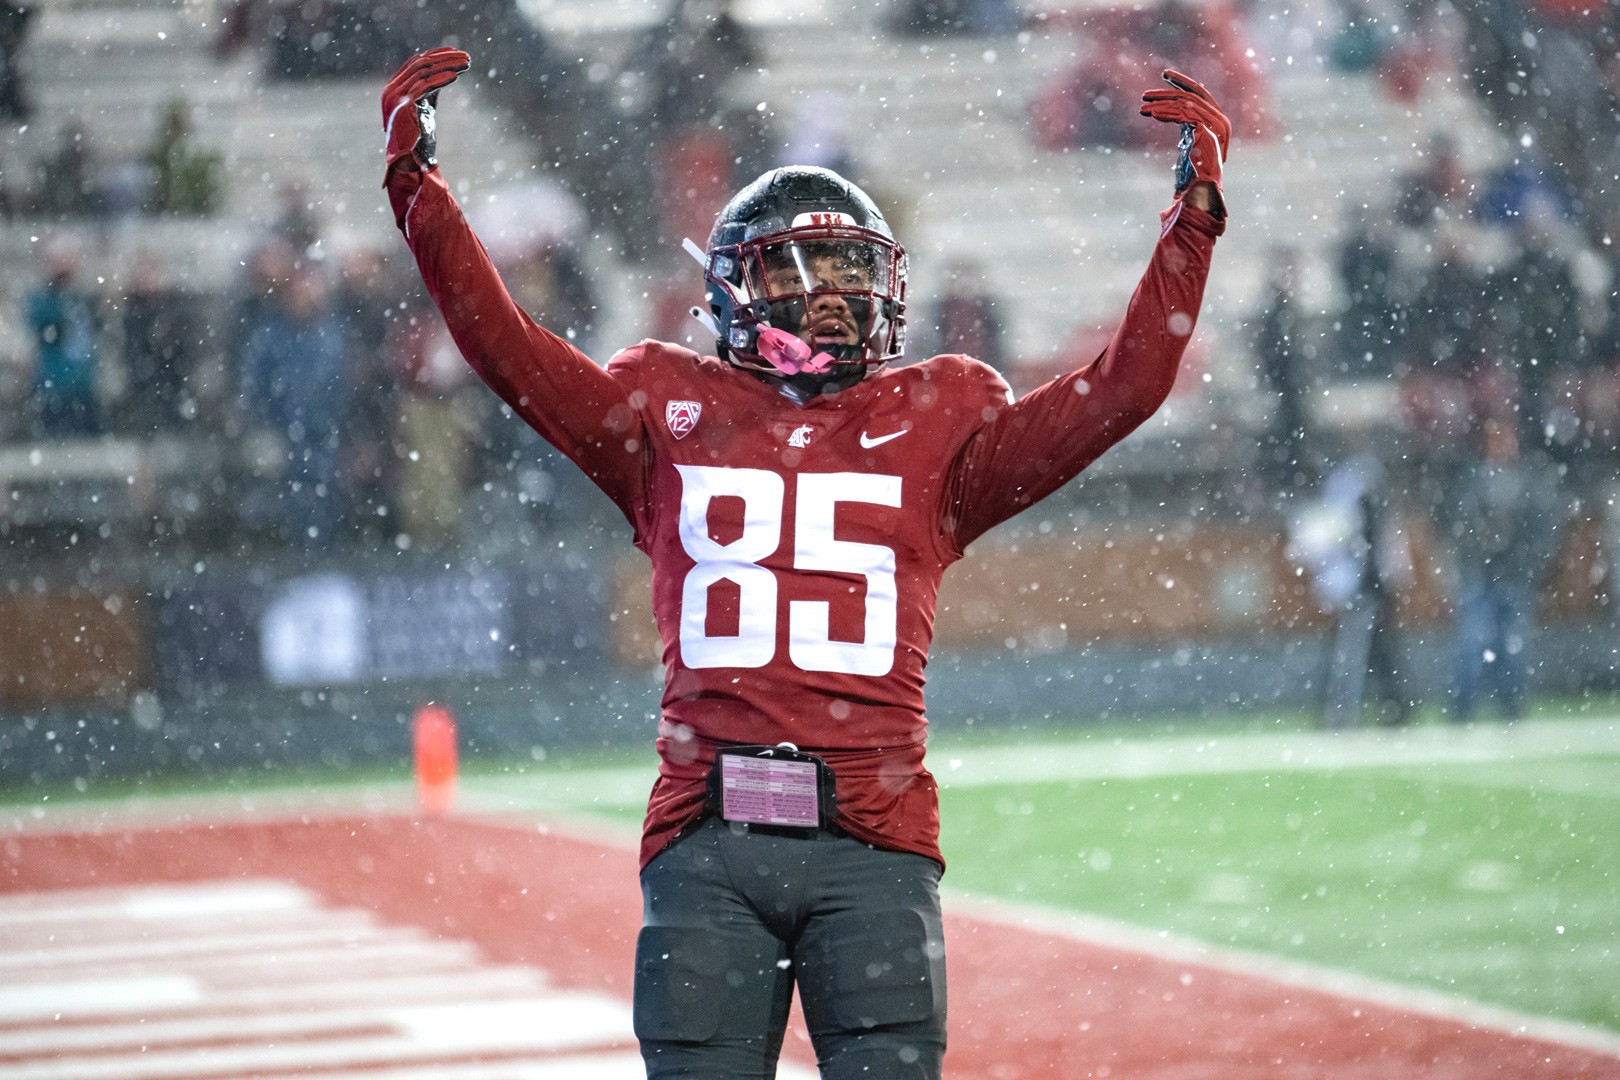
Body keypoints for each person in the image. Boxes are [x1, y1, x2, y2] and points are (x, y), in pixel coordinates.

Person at [381, 46, 1228, 1079]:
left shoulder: (939, 421)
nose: (833, 296)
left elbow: (1124, 388)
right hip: (708, 836)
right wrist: (421, 196)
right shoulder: (667, 412)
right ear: (737, 289)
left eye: (852, 270)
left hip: (873, 839)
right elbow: (504, 345)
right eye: (800, 269)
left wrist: (1192, 222)